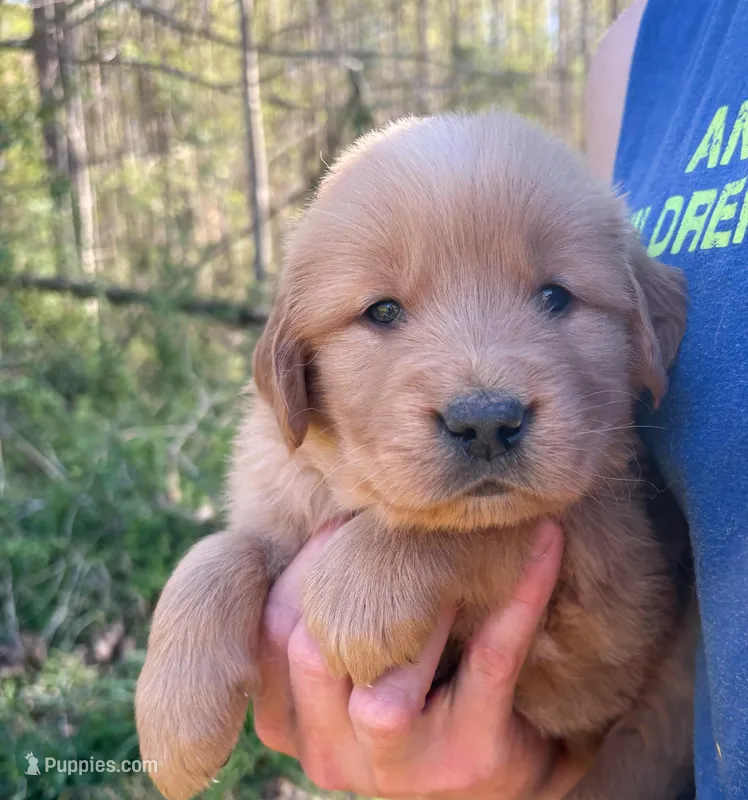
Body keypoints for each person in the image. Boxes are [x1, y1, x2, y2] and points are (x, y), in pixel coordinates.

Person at [251, 1, 748, 797]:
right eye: (384, 312)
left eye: (553, 298)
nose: (483, 398)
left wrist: (419, 556)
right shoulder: (643, 47)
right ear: (290, 369)